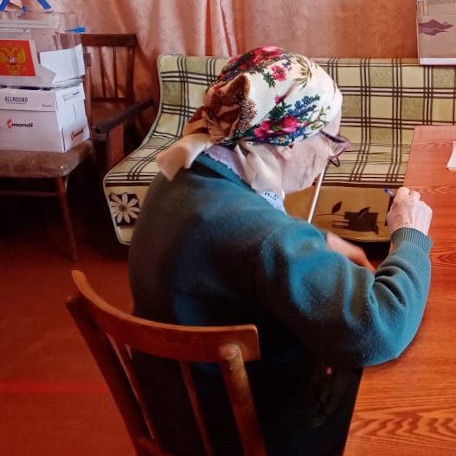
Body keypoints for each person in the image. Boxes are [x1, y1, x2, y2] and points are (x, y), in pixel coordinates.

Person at [128, 46, 433, 455]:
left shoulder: (177, 174)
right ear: (288, 141)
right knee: (408, 383)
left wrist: (317, 240)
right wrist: (409, 236)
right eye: (330, 140)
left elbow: (239, 239)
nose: (329, 156)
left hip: (182, 416)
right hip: (258, 432)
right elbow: (379, 328)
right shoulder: (266, 238)